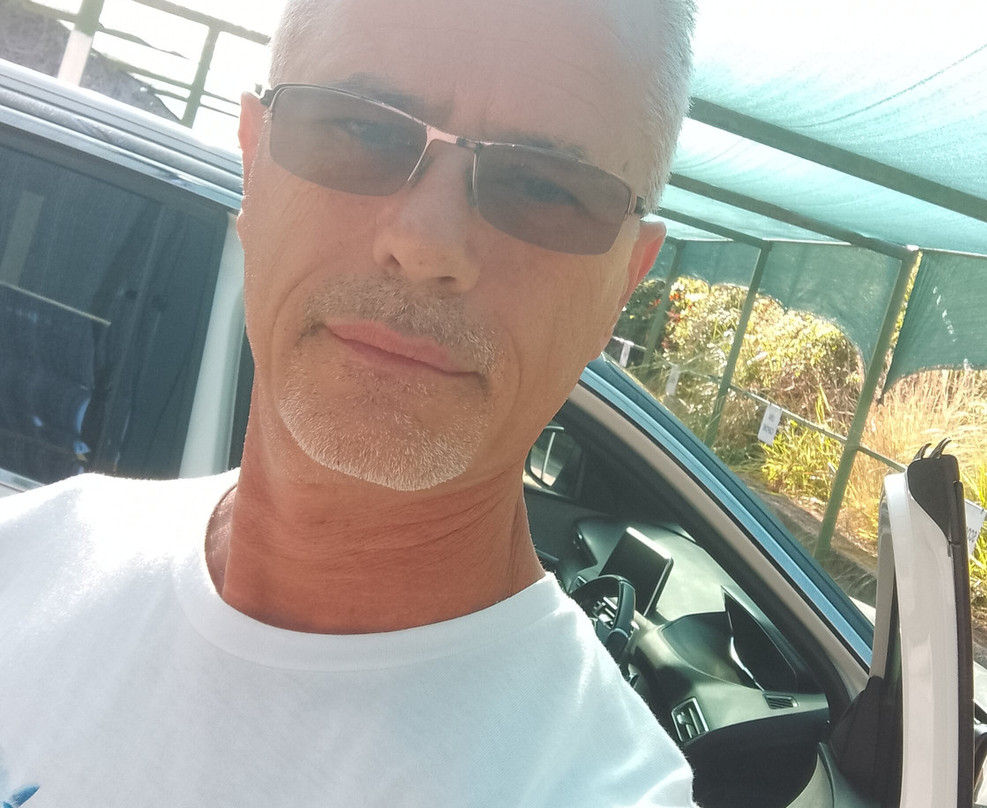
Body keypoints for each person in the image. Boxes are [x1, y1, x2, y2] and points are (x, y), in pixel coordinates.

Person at [0, 0, 698, 803]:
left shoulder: (603, 791)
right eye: (363, 129)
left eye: (544, 187)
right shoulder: (32, 555)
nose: (427, 243)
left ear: (625, 282)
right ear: (253, 160)